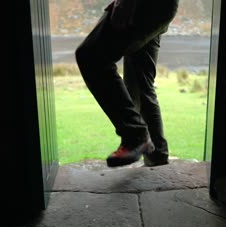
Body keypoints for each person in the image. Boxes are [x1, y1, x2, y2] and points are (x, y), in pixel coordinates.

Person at [75, 0, 179, 167]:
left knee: (90, 56)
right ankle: (156, 155)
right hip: (162, 7)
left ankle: (135, 135)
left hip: (143, 6)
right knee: (140, 83)